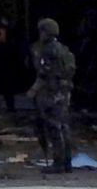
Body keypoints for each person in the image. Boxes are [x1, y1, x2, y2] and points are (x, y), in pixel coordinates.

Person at [28, 17, 76, 175]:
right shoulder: (63, 49)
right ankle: (67, 162)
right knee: (64, 127)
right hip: (64, 92)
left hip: (51, 91)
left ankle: (58, 163)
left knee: (54, 128)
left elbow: (43, 73)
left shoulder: (47, 50)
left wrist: (33, 91)